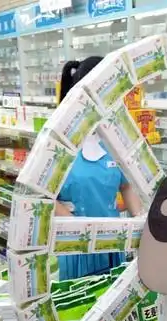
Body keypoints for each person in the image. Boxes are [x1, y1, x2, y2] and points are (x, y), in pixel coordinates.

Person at [55, 57, 142, 280]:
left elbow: (126, 185)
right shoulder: (59, 139)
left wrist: (140, 219)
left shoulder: (115, 136)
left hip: (113, 242)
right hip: (76, 245)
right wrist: (78, 228)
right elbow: (43, 197)